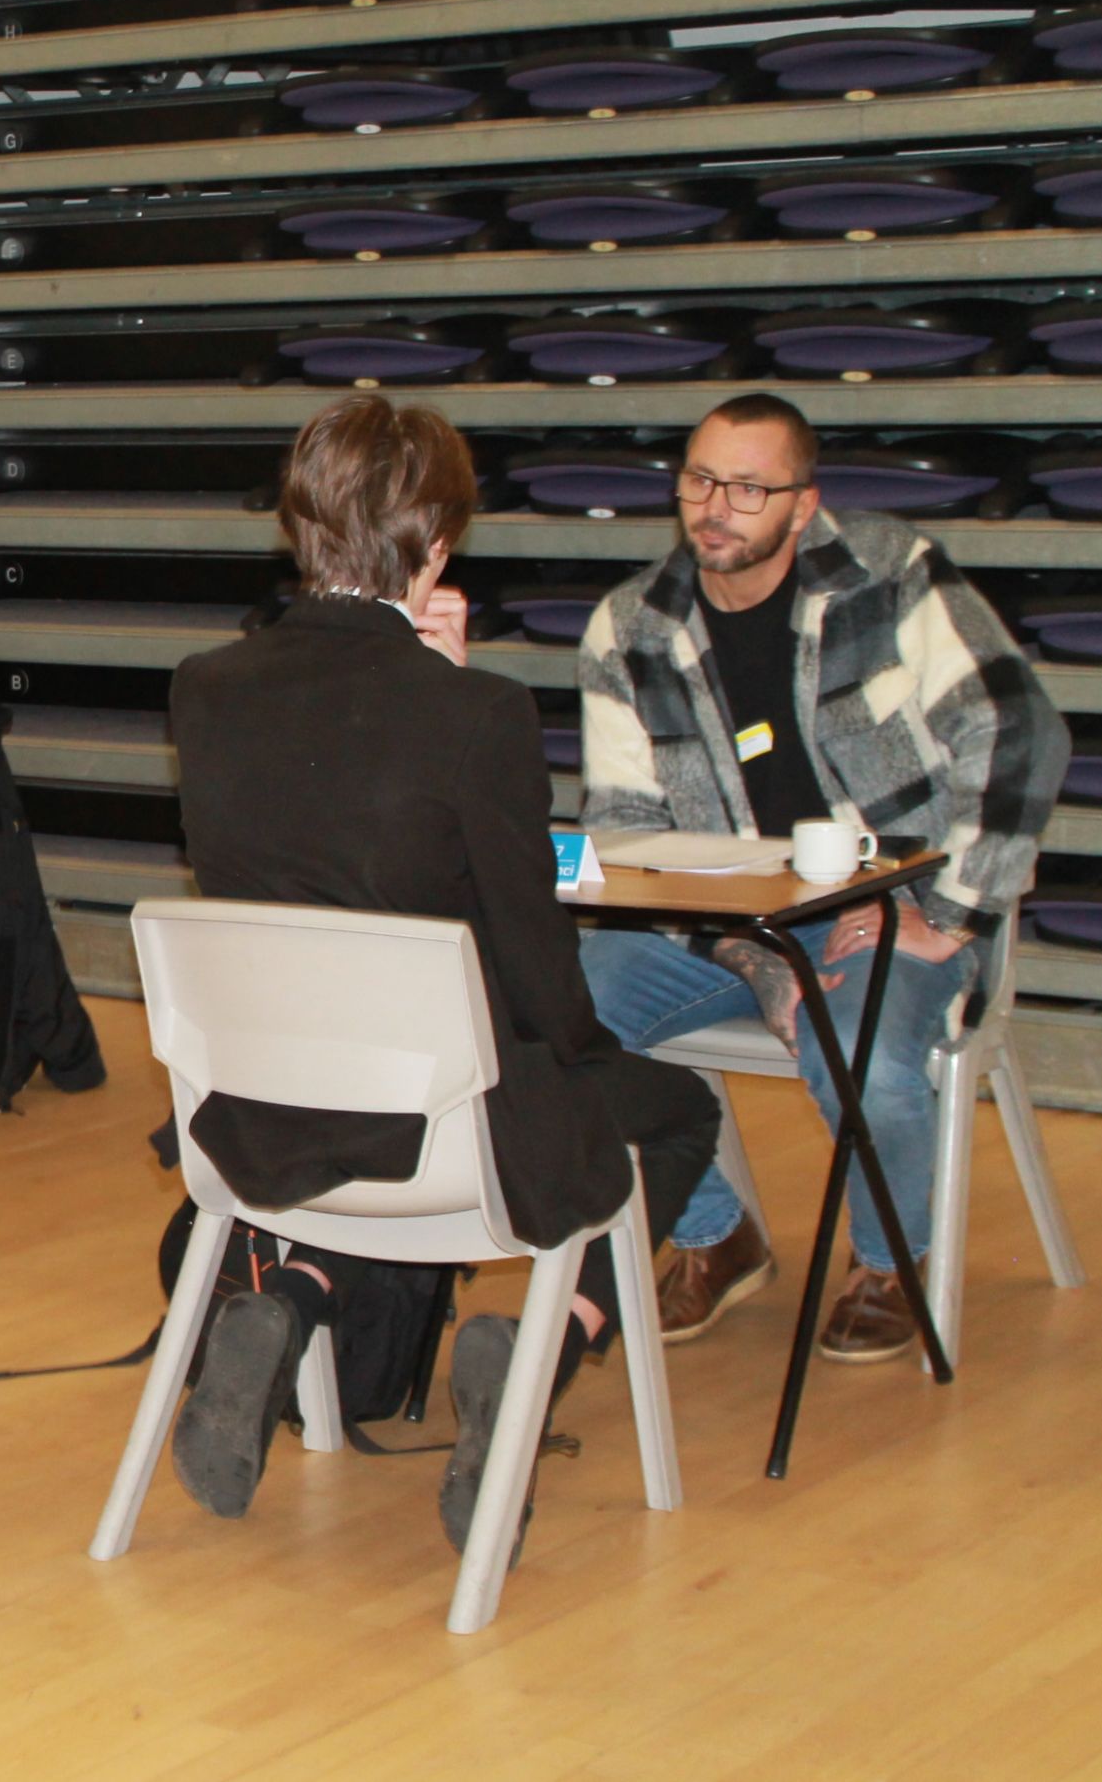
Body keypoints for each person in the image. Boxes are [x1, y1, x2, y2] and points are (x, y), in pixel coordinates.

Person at [166, 395, 718, 1547]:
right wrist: (580, 1054)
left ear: (299, 527)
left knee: (367, 1075)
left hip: (266, 1120)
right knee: (673, 1110)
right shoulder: (478, 714)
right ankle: (541, 1347)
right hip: (437, 1139)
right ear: (434, 542)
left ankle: (288, 1292)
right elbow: (529, 968)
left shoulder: (204, 688)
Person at [577, 394, 1068, 1362]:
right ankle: (714, 1234)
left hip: (895, 908)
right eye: (699, 480)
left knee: (859, 1052)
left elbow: (1018, 733)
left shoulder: (891, 578)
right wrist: (754, 956)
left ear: (801, 505)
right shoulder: (630, 627)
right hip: (719, 921)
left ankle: (889, 1258)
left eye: (749, 488)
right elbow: (625, 831)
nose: (715, 507)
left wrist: (945, 913)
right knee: (549, 1014)